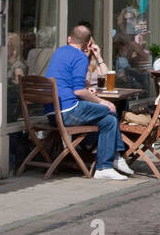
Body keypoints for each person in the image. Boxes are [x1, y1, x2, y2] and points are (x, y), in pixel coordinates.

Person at [43, 24, 132, 181]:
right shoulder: (80, 57)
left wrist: (86, 90)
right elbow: (78, 92)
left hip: (52, 113)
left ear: (69, 39)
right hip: (68, 112)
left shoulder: (59, 52)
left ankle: (107, 165)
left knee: (108, 121)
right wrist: (101, 101)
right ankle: (112, 160)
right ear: (87, 44)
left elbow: (68, 83)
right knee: (111, 110)